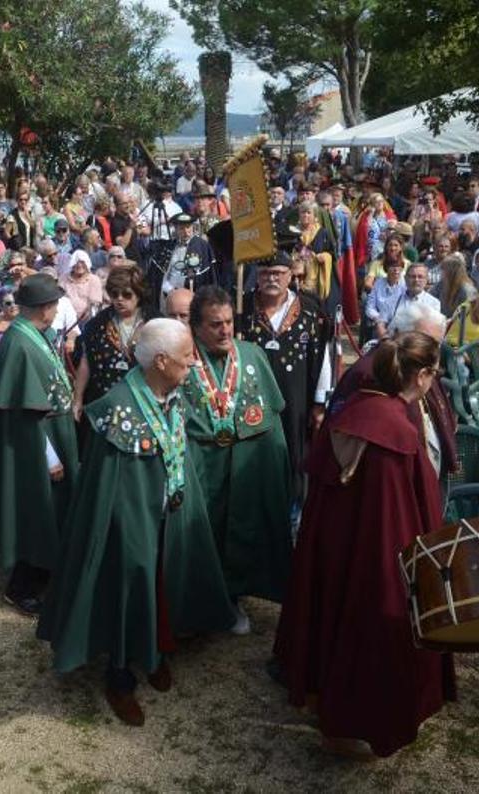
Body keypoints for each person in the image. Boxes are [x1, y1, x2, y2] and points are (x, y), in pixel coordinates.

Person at [37, 318, 235, 726]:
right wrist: (127, 529)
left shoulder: (171, 391)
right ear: (160, 362)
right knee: (130, 583)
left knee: (162, 582)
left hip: (168, 511)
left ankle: (154, 651)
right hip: (129, 521)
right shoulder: (120, 407)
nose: (194, 364)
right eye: (186, 358)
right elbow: (106, 484)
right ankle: (120, 674)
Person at [274, 331, 455, 757]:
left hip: (330, 550)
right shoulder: (398, 429)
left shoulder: (349, 411)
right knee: (368, 631)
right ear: (424, 375)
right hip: (375, 557)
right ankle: (362, 717)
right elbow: (408, 512)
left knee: (330, 616)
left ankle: (323, 698)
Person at [181, 286, 291, 629]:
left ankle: (235, 594)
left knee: (242, 527)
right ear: (196, 327)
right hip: (201, 463)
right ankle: (202, 600)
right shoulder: (182, 359)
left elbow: (272, 419)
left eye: (229, 322)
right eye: (215, 324)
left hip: (244, 464)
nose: (225, 330)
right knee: (204, 533)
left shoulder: (252, 354)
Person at [0, 273, 79, 616]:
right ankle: (22, 585)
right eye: (54, 304)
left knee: (53, 508)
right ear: (45, 308)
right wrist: (50, 456)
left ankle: (48, 568)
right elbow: (27, 413)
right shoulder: (20, 343)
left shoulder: (34, 333)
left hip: (53, 433)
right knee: (36, 509)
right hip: (39, 441)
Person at [236, 252, 333, 513]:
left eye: (277, 273)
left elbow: (323, 358)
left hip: (297, 402)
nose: (271, 279)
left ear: (290, 275)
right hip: (250, 400)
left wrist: (319, 403)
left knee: (294, 453)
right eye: (266, 273)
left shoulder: (311, 312)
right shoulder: (240, 309)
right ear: (257, 276)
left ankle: (292, 511)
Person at [72, 265, 148, 415]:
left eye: (127, 294)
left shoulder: (154, 321)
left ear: (139, 294)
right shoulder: (97, 324)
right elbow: (86, 361)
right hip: (104, 400)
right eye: (114, 294)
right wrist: (78, 399)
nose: (119, 299)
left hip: (144, 402)